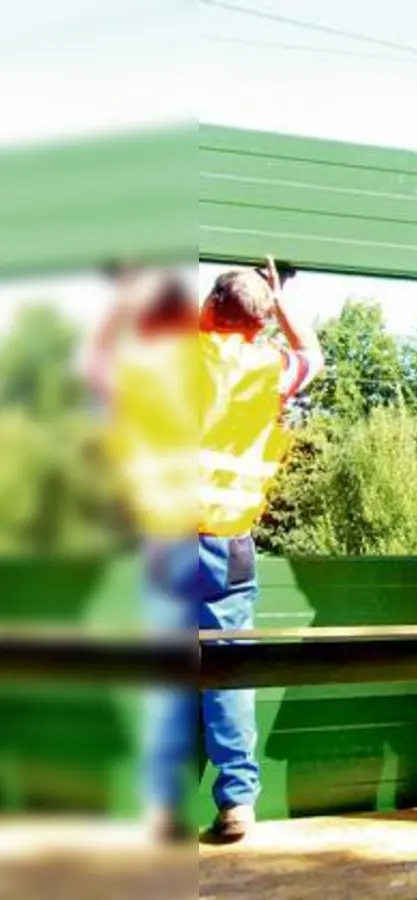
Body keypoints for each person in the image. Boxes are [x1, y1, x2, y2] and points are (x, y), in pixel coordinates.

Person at [98, 258, 322, 844]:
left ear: (208, 308)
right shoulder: (270, 367)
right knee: (228, 670)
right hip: (230, 544)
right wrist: (280, 302)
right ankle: (238, 801)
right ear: (260, 322)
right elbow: (312, 354)